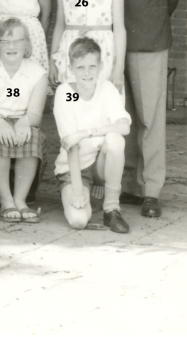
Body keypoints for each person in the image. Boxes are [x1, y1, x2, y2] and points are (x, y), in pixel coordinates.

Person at [97, 0, 184, 219]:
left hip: (147, 34)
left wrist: (154, 14)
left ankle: (151, 190)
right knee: (121, 112)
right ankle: (128, 184)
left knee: (149, 115)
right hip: (109, 35)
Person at [0, 18, 49, 224]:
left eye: (18, 41)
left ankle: (21, 200)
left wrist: (24, 122)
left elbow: (35, 114)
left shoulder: (37, 73)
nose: (12, 46)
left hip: (23, 121)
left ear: (27, 44)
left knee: (32, 137)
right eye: (5, 42)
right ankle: (6, 200)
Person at [54, 38, 131, 234]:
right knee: (78, 220)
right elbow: (71, 144)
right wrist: (78, 188)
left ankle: (111, 208)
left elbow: (124, 127)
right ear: (71, 68)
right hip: (75, 168)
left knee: (115, 140)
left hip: (99, 164)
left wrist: (85, 133)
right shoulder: (65, 93)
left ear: (101, 66)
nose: (87, 73)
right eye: (80, 67)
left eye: (92, 66)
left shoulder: (106, 89)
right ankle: (90, 193)